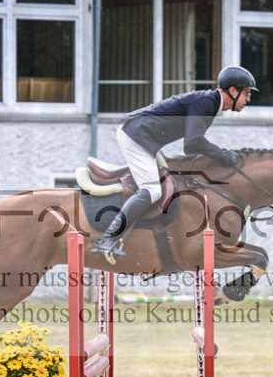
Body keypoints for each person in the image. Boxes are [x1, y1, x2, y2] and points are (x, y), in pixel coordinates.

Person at [90, 65, 257, 259]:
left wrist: (220, 155)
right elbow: (193, 143)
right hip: (136, 135)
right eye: (246, 93)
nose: (248, 99)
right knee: (152, 191)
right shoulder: (206, 102)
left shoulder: (210, 103)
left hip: (145, 137)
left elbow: (192, 146)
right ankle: (106, 240)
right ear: (233, 91)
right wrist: (223, 156)